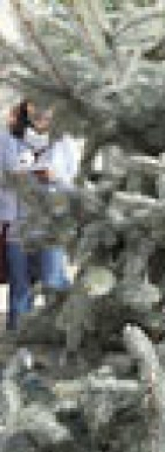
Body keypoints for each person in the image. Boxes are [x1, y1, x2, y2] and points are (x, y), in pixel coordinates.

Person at [0, 100, 76, 330]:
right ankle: (17, 339)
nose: (42, 112)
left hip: (51, 226)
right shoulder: (7, 139)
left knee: (53, 281)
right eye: (35, 105)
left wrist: (54, 178)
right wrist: (15, 178)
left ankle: (61, 334)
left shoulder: (64, 141)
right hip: (18, 226)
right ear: (26, 108)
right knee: (20, 287)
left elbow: (74, 186)